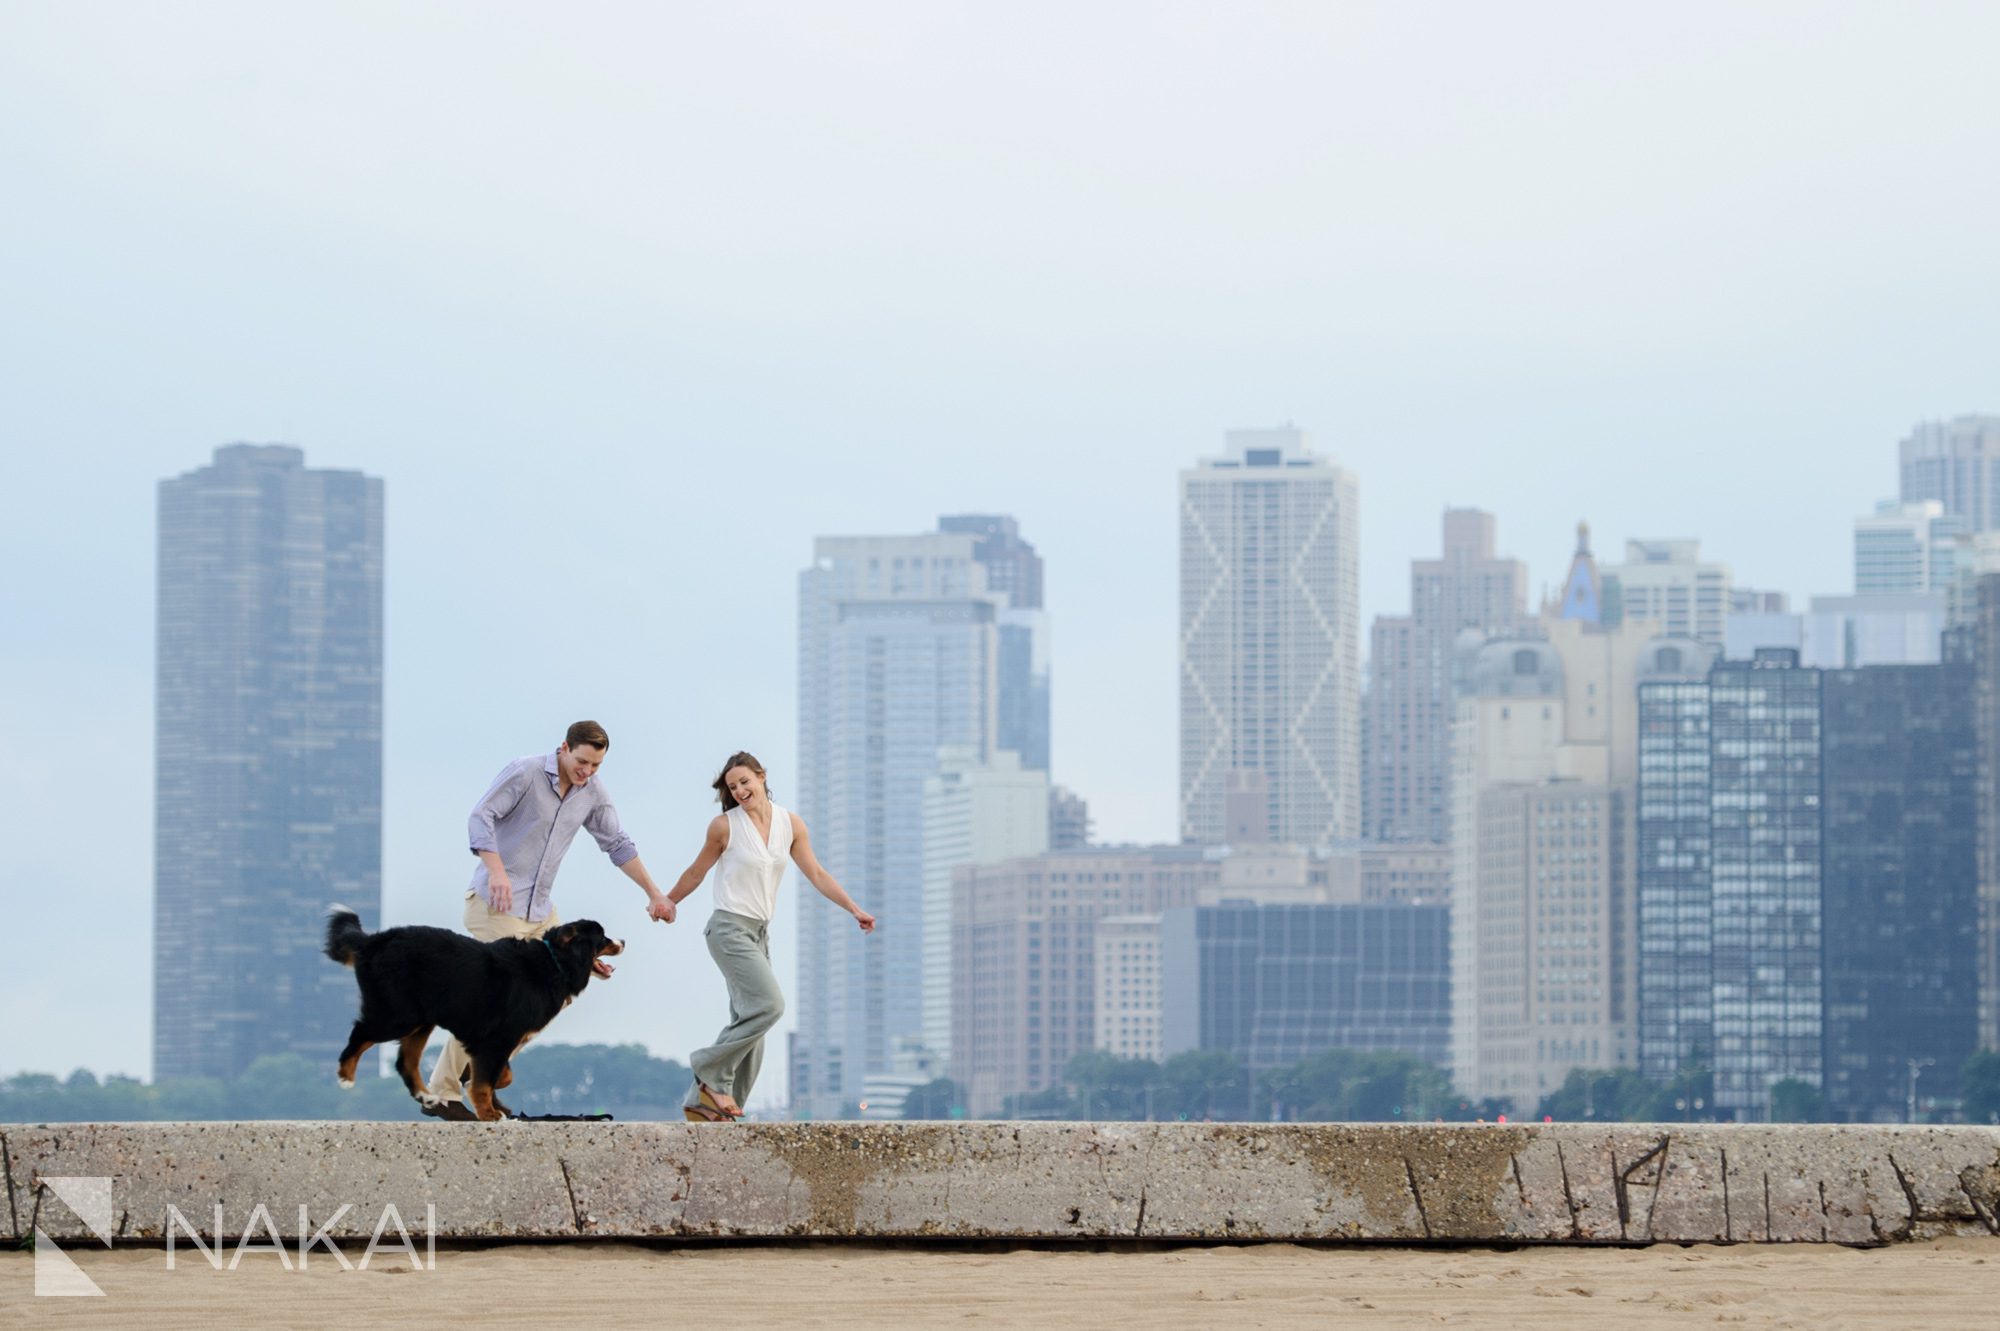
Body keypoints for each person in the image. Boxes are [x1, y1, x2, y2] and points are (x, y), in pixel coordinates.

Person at [422, 719, 675, 1120]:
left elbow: (617, 843)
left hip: (540, 911)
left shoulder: (592, 792)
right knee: (491, 1002)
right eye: (582, 762)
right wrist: (498, 871)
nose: (586, 772)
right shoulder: (525, 772)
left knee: (549, 996)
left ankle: (484, 1064)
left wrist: (654, 892)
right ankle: (444, 1091)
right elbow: (480, 816)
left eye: (595, 766)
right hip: (496, 904)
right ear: (564, 748)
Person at [666, 750, 873, 1121]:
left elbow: (818, 874)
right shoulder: (724, 826)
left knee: (753, 1025)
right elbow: (696, 872)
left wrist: (854, 908)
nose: (740, 790)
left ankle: (714, 1107)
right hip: (728, 928)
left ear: (761, 777)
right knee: (769, 1006)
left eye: (745, 781)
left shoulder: (790, 824)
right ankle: (709, 1072)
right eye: (733, 786)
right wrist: (668, 900)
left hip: (759, 934)